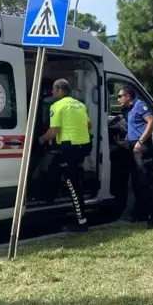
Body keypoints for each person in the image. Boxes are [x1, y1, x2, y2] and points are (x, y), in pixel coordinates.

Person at [38, 79, 92, 232]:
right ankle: (49, 197)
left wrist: (41, 139)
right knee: (54, 169)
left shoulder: (57, 106)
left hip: (69, 148)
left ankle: (82, 223)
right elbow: (89, 125)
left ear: (60, 90)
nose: (52, 93)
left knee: (73, 186)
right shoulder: (80, 105)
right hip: (82, 147)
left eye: (53, 90)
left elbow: (53, 131)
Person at [117, 86, 153, 228]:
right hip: (133, 147)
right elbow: (134, 128)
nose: (118, 99)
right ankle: (141, 215)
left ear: (128, 96)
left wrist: (140, 142)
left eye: (120, 96)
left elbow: (152, 122)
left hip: (142, 149)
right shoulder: (129, 110)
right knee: (137, 183)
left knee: (148, 183)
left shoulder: (139, 106)